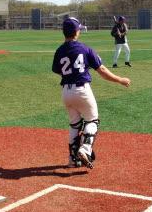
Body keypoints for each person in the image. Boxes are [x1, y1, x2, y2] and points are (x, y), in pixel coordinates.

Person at [53, 17, 131, 168]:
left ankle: (72, 159)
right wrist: (119, 79)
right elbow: (101, 70)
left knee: (75, 125)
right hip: (82, 90)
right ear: (76, 32)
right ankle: (85, 149)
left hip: (66, 92)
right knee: (92, 120)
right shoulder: (85, 48)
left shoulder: (59, 50)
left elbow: (58, 70)